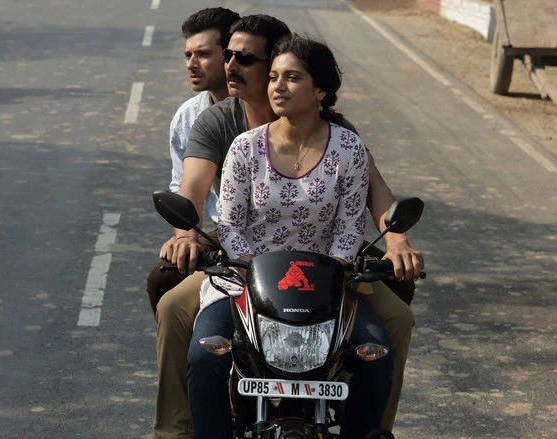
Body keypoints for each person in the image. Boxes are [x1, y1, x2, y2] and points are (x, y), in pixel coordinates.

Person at [159, 14, 424, 433]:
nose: (278, 86)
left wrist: (391, 245)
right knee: (202, 351)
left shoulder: (347, 144)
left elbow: (355, 218)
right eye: (275, 78)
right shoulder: (239, 142)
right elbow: (226, 220)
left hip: (331, 276)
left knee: (379, 349)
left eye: (291, 77)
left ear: (320, 90)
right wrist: (229, 259)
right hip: (245, 274)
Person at [148, 8, 240, 438]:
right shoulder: (189, 116)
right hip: (216, 233)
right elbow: (184, 188)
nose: (192, 64)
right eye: (188, 54)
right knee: (165, 282)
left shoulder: (277, 111)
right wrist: (186, 234)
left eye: (203, 54)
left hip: (287, 241)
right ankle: (178, 419)